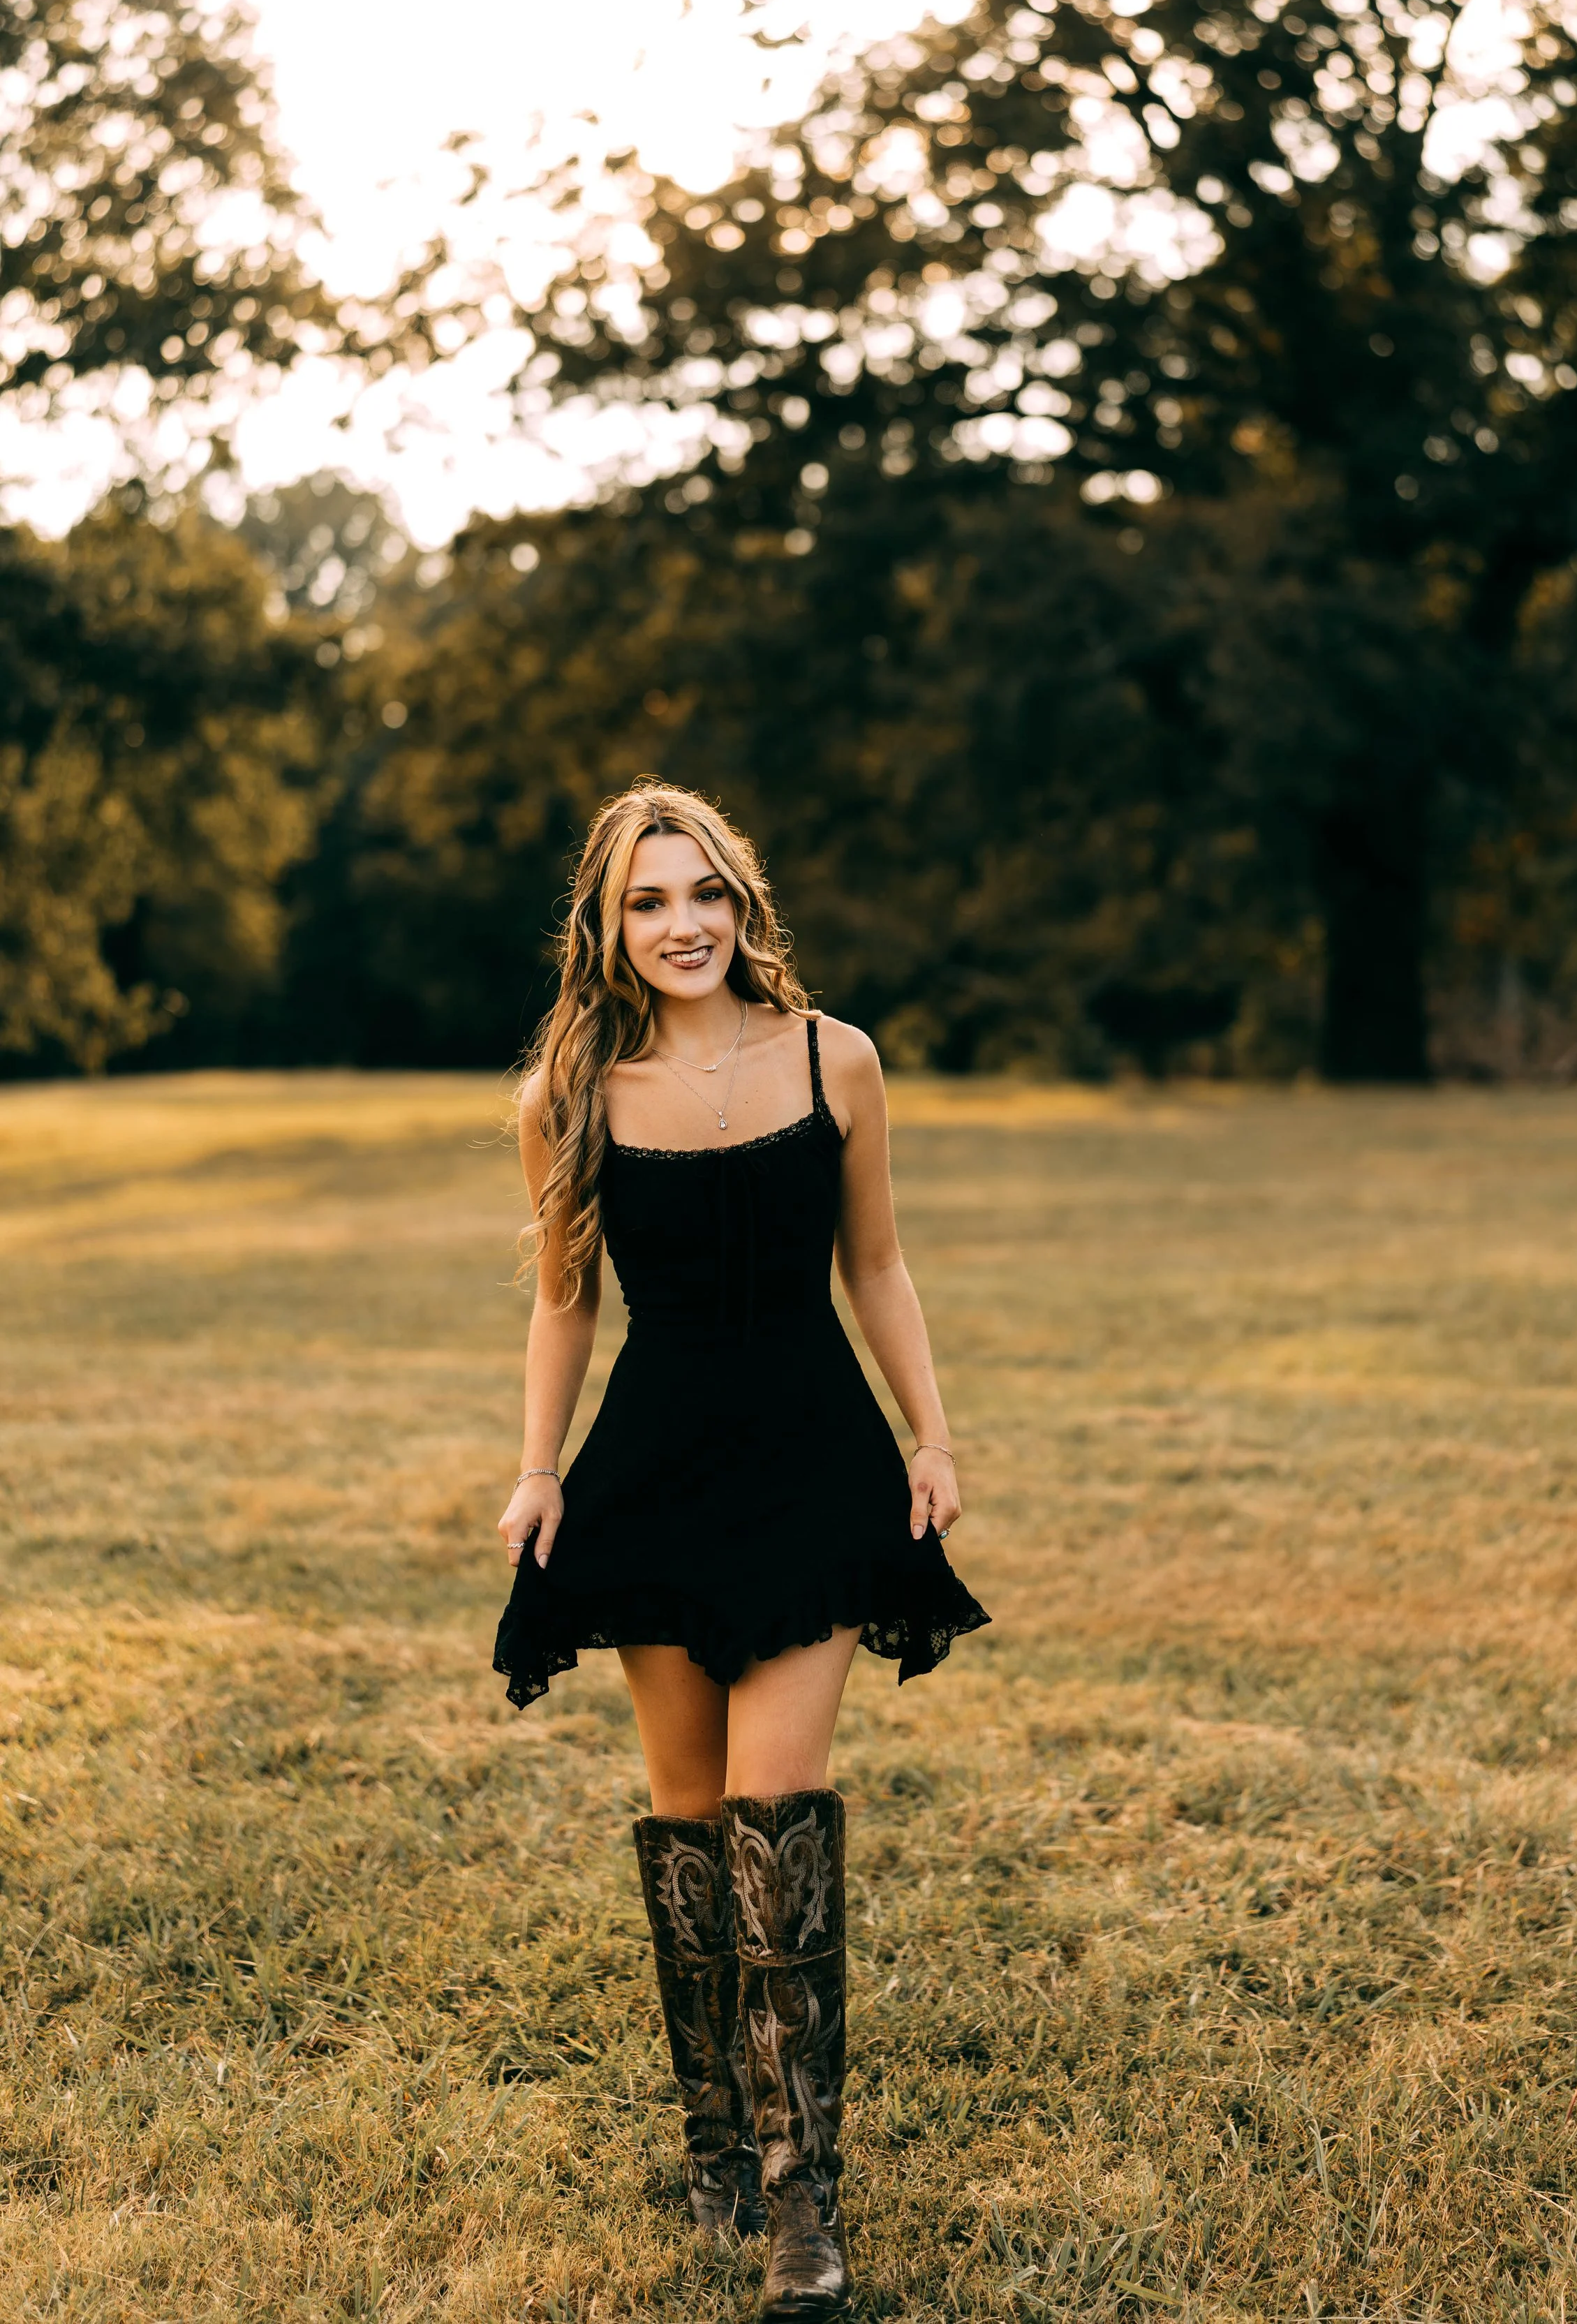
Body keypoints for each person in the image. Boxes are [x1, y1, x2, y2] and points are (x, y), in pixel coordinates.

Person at [493, 781, 990, 2321]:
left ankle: (799, 2201)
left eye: (698, 891)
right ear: (606, 924)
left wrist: (930, 1431)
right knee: (690, 1822)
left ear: (739, 898)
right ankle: (712, 2132)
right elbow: (566, 1297)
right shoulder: (567, 1093)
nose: (680, 925)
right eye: (645, 903)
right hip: (652, 1473)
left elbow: (879, 1261)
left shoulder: (837, 1059)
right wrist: (534, 1475)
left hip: (814, 1469)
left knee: (780, 1820)